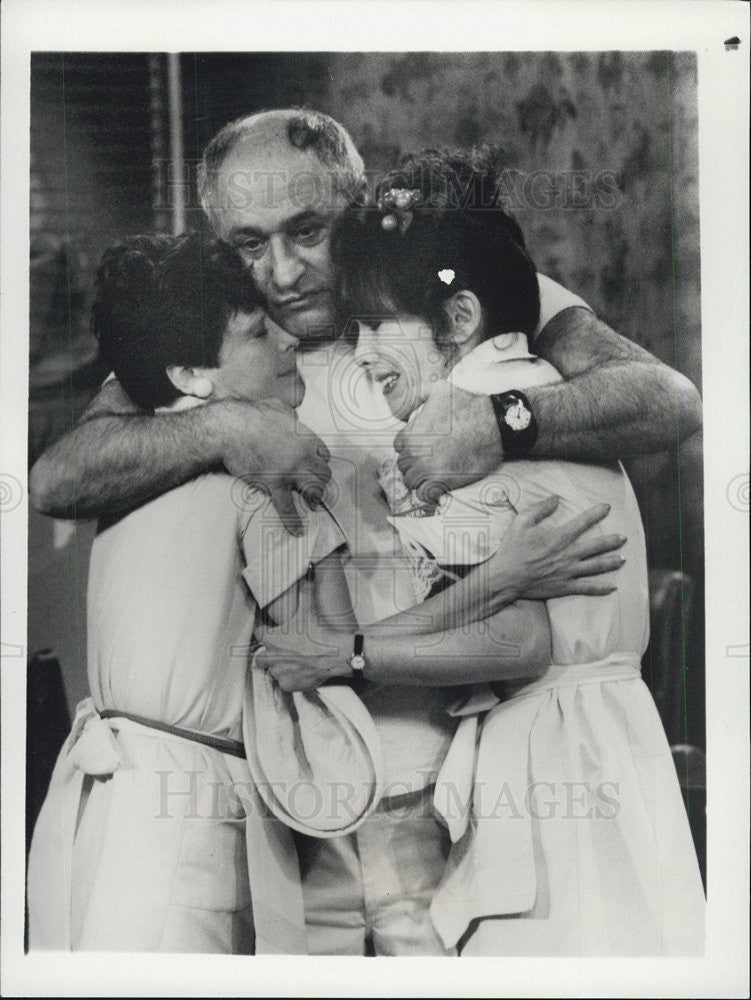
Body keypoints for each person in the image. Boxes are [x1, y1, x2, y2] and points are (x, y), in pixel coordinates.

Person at [27, 110, 702, 955]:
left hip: (456, 771)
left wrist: (504, 421)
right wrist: (223, 429)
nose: (279, 273)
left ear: (352, 203)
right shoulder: (219, 335)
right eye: (246, 242)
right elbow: (59, 476)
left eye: (307, 231)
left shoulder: (427, 285)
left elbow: (667, 399)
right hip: (294, 785)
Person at [259, 148, 706, 955]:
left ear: (457, 319)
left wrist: (346, 653)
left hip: (542, 756)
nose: (360, 354)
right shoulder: (525, 374)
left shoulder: (461, 420)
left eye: (374, 329)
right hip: (606, 739)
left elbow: (516, 641)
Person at [26, 233, 344, 954]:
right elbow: (324, 649)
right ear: (190, 375)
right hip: (181, 813)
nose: (287, 339)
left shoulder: (149, 450)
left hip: (122, 801)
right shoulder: (249, 474)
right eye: (257, 332)